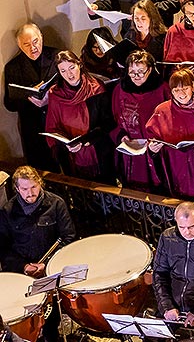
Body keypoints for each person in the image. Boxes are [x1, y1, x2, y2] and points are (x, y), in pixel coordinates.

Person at [44, 50, 115, 182]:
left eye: (72, 68)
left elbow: (108, 122)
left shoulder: (96, 88)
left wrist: (86, 140)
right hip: (71, 154)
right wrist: (67, 144)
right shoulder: (55, 93)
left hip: (97, 150)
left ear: (79, 65)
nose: (69, 74)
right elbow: (52, 126)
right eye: (63, 71)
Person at [145, 69, 194, 202]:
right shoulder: (162, 110)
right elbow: (151, 138)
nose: (181, 94)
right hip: (173, 168)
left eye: (185, 88)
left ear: (193, 86)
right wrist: (152, 150)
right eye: (176, 90)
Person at [4, 23, 60, 171]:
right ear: (19, 46)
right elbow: (9, 104)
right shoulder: (12, 67)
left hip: (58, 120)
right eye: (26, 44)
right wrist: (27, 96)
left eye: (35, 41)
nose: (32, 48)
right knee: (40, 168)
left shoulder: (56, 56)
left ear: (41, 37)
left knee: (66, 164)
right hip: (32, 126)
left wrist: (51, 96)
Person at [0, 166, 76, 275]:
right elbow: (3, 248)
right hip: (22, 272)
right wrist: (24, 266)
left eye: (34, 187)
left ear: (40, 183)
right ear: (17, 188)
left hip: (53, 266)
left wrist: (47, 263)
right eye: (24, 189)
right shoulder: (7, 211)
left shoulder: (56, 203)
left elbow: (69, 237)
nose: (30, 193)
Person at [111, 50, 169, 192]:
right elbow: (112, 119)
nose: (136, 76)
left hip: (156, 149)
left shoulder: (162, 89)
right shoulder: (120, 89)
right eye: (132, 72)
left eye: (141, 71)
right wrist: (120, 135)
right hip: (131, 149)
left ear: (150, 70)